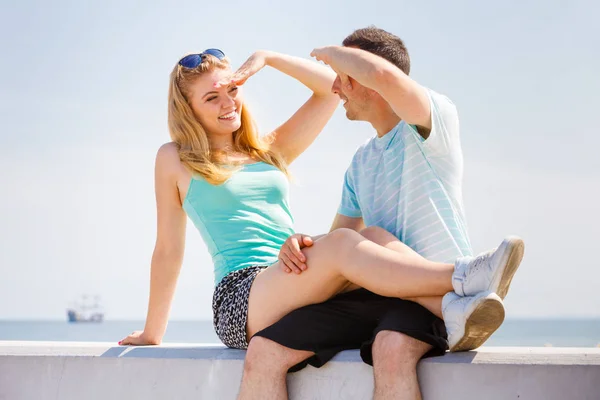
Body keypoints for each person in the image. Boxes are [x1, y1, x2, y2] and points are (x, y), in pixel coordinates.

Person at [118, 45, 523, 400]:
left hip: (293, 274)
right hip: (242, 294)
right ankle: (465, 276)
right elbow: (169, 250)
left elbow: (328, 87)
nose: (229, 104)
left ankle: (453, 308)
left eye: (233, 90)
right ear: (188, 110)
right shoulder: (174, 159)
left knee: (374, 236)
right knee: (347, 241)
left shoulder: (269, 152)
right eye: (212, 97)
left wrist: (269, 57)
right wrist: (153, 333)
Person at [236, 27, 524, 400]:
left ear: (368, 76)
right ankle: (464, 283)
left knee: (390, 348)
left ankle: (461, 285)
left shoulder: (433, 126)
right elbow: (343, 242)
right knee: (263, 349)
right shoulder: (360, 163)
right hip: (374, 293)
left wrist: (328, 51)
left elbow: (386, 75)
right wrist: (302, 241)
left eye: (343, 77)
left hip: (430, 294)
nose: (335, 88)